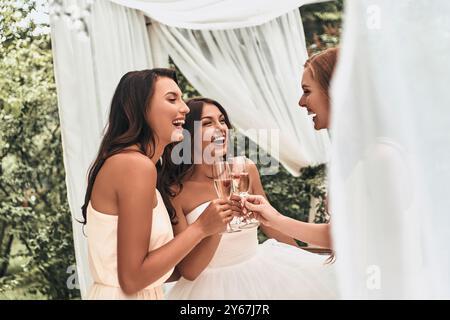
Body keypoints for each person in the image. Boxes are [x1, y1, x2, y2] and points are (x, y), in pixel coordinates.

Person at [81, 69, 239, 299]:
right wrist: (201, 227)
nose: (184, 108)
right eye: (172, 99)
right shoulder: (135, 166)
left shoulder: (137, 165)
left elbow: (162, 270)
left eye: (182, 99)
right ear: (139, 109)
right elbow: (132, 280)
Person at [158, 97, 338, 299]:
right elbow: (189, 271)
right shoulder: (175, 192)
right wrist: (215, 227)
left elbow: (273, 225)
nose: (221, 128)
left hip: (262, 274)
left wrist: (301, 264)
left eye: (222, 121)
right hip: (209, 290)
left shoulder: (243, 169)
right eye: (208, 123)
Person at [243, 48, 339, 249]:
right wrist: (274, 218)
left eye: (307, 91)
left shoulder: (378, 155)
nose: (301, 102)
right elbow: (338, 235)